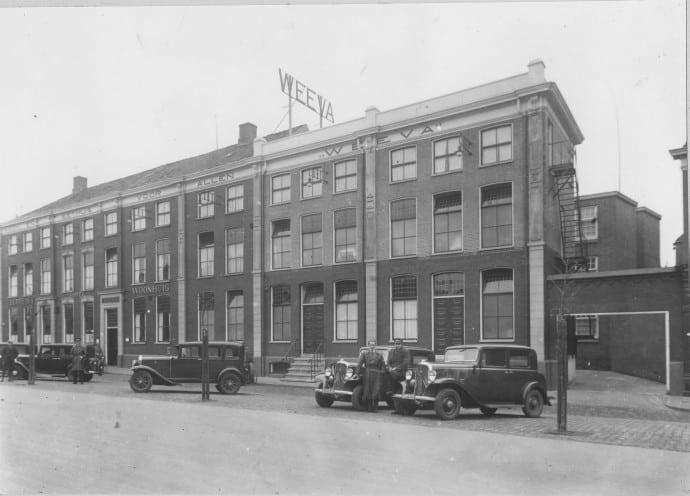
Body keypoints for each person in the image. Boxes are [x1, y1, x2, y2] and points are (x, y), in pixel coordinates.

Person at [356, 339, 385, 413]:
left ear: (375, 345)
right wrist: (358, 372)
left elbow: (383, 364)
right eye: (371, 345)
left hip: (377, 373)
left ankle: (375, 407)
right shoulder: (364, 354)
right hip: (367, 373)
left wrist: (382, 371)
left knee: (376, 389)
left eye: (373, 345)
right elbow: (359, 363)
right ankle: (369, 407)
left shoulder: (379, 354)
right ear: (368, 345)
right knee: (368, 389)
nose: (372, 346)